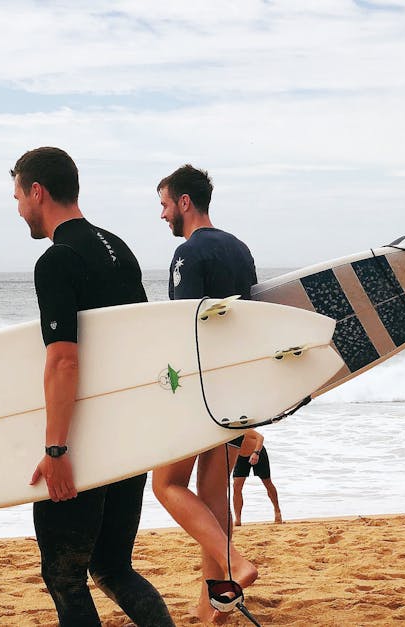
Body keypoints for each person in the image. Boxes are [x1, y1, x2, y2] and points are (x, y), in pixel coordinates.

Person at [13, 147, 174, 627]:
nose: (19, 208)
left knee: (65, 578)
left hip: (84, 445)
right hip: (128, 440)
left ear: (37, 191)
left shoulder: (57, 260)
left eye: (18, 196)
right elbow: (144, 340)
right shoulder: (117, 248)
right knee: (112, 565)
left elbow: (63, 359)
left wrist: (57, 449)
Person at [149, 164, 259, 623]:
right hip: (237, 387)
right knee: (213, 504)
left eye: (164, 205)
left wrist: (166, 390)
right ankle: (214, 606)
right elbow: (251, 322)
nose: (162, 216)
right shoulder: (240, 249)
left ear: (184, 203)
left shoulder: (188, 254)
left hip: (201, 391)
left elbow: (184, 329)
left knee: (166, 484)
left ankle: (235, 566)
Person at [227, 429, 283, 526]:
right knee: (236, 487)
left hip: (258, 453)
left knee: (267, 482)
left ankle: (277, 511)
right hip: (240, 457)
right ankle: (238, 519)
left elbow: (260, 437)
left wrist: (256, 453)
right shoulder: (223, 435)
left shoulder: (242, 429)